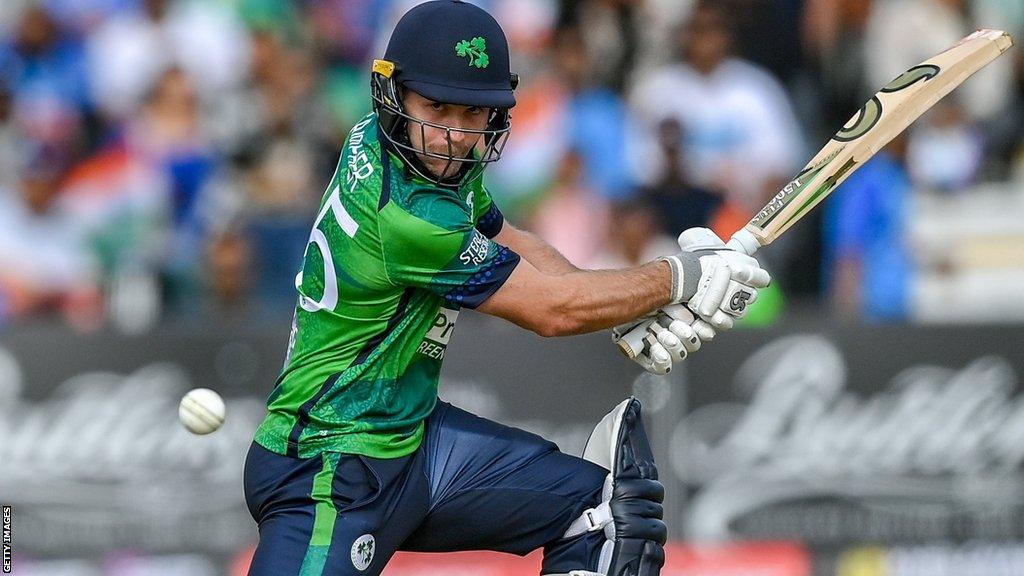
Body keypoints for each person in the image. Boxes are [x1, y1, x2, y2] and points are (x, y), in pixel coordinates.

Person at [242, 3, 770, 576]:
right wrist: (680, 277)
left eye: (472, 112)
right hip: (331, 465)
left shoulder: (399, 146)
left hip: (410, 441)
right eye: (436, 106)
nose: (453, 133)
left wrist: (623, 302)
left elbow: (514, 243)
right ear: (392, 94)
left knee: (603, 515)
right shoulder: (409, 217)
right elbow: (551, 313)